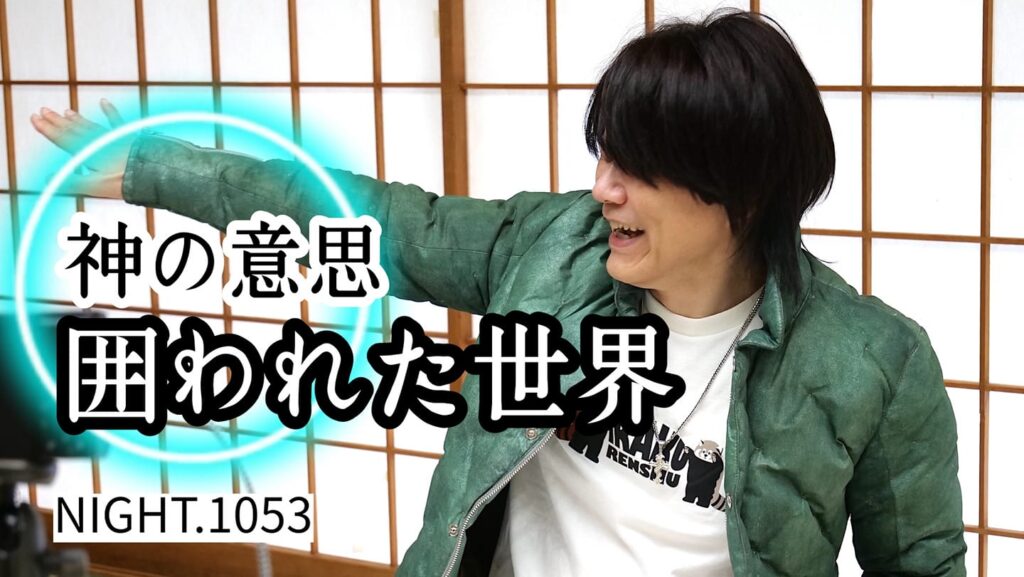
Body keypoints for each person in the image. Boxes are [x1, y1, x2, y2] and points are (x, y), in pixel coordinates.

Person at [32, 9, 966, 577]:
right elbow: (374, 217)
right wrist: (155, 170)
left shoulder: (872, 364)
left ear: (742, 190)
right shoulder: (550, 247)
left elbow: (919, 565)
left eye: (638, 169)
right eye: (605, 155)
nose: (603, 189)